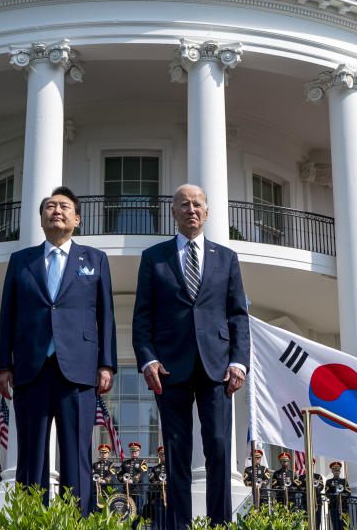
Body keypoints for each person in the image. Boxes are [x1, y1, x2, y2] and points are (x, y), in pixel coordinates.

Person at [132, 183, 250, 530]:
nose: (191, 210)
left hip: (217, 369)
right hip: (170, 369)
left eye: (197, 204)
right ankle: (179, 525)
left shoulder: (225, 258)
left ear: (207, 211)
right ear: (174, 213)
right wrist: (148, 359)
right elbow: (142, 316)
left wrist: (238, 362)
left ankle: (219, 524)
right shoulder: (154, 257)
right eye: (183, 204)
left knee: (217, 446)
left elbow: (237, 315)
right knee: (177, 451)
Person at [0, 186, 118, 514]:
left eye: (64, 207)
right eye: (50, 207)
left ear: (77, 219)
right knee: (30, 456)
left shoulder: (94, 260)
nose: (57, 211)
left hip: (78, 371)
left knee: (76, 455)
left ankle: (76, 520)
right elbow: (8, 313)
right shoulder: (21, 261)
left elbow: (105, 315)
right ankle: (32, 519)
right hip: (30, 368)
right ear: (41, 218)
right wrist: (2, 365)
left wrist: (106, 364)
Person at [325, 461, 351, 530]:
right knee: (335, 526)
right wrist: (335, 495)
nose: (336, 472)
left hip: (343, 506)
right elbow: (327, 493)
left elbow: (349, 492)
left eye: (338, 470)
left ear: (340, 472)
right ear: (332, 471)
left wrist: (342, 495)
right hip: (334, 506)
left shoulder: (344, 481)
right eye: (335, 470)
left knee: (344, 525)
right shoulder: (329, 481)